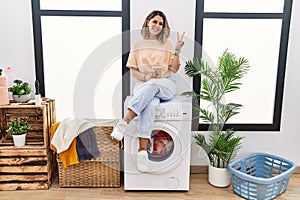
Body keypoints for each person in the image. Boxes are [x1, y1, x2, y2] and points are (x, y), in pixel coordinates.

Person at [111, 10, 185, 172]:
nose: (157, 26)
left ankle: (124, 122)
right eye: (155, 22)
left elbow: (173, 69)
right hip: (143, 84)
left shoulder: (168, 44)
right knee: (150, 105)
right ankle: (143, 152)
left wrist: (178, 50)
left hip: (165, 84)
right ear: (147, 23)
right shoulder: (138, 44)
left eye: (161, 24)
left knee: (153, 86)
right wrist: (146, 76)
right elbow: (133, 71)